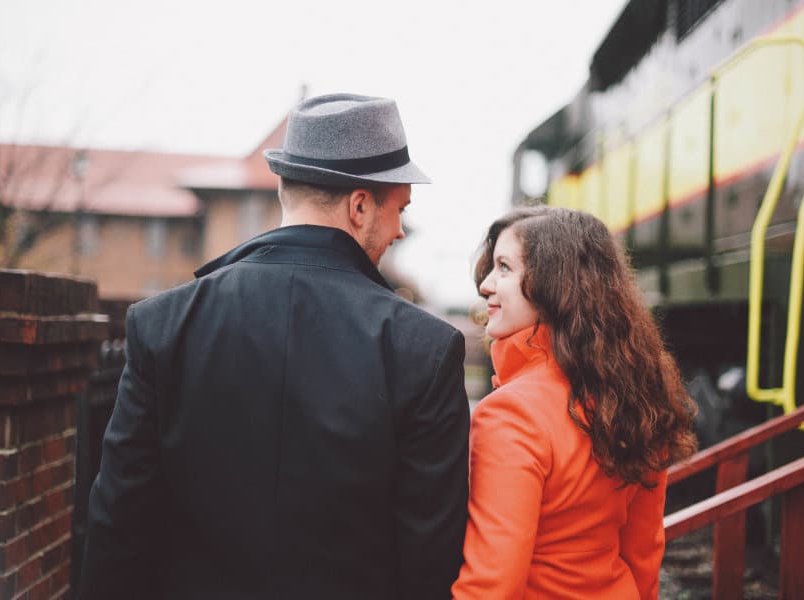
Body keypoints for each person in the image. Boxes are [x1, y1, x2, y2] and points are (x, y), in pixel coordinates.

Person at [78, 93, 470, 600]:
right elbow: (430, 560)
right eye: (399, 210)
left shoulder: (163, 324)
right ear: (358, 206)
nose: (399, 231)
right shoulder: (426, 348)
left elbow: (118, 521)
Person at [452, 206, 697, 600]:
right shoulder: (634, 396)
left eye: (504, 268)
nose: (486, 285)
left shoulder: (510, 414)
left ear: (554, 285)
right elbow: (643, 552)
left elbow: (492, 584)